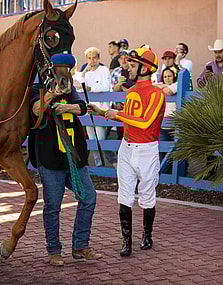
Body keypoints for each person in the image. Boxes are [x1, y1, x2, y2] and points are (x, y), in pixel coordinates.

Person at [89, 47, 165, 257]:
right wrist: (103, 112)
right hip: (126, 148)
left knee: (148, 196)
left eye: (132, 65)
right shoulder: (131, 92)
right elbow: (126, 115)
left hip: (147, 150)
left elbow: (145, 122)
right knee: (124, 194)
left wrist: (116, 115)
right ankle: (126, 241)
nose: (128, 68)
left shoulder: (156, 93)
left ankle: (147, 235)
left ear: (145, 68)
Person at [29, 56, 102, 267]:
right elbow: (35, 109)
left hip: (74, 156)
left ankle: (80, 245)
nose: (65, 72)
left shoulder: (72, 89)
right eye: (61, 68)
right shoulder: (38, 88)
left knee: (88, 197)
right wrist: (52, 94)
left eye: (68, 68)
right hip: (50, 157)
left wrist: (66, 107)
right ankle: (53, 250)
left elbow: (81, 107)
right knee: (53, 205)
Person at [75, 46, 117, 168]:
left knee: (101, 138)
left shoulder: (104, 70)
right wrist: (84, 72)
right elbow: (77, 84)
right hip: (89, 110)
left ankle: (114, 163)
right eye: (89, 58)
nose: (92, 61)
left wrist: (89, 88)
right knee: (92, 139)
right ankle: (99, 165)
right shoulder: (87, 72)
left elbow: (104, 87)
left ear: (98, 58)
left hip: (101, 110)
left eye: (94, 58)